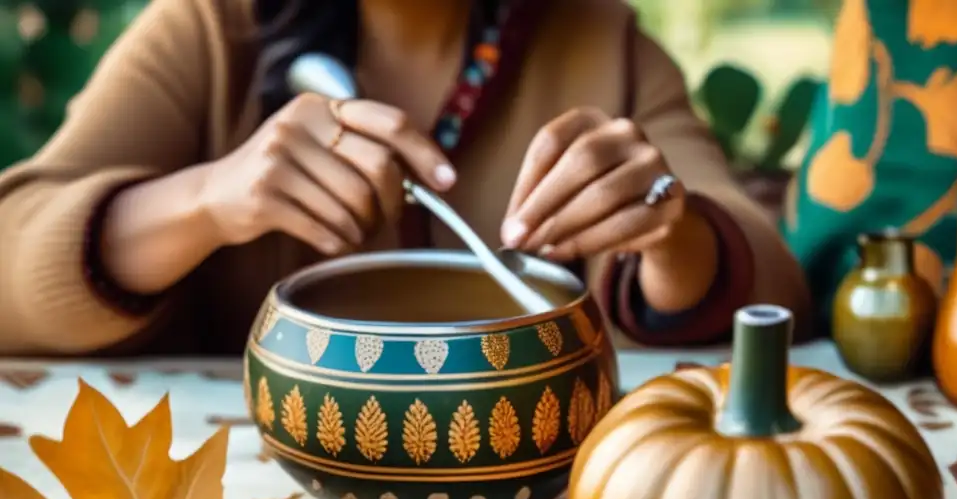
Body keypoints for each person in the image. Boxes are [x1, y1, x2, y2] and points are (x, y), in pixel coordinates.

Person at [0, 0, 809, 356]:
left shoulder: (601, 40)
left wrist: (672, 232)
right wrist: (208, 201)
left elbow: (777, 293)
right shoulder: (211, 30)